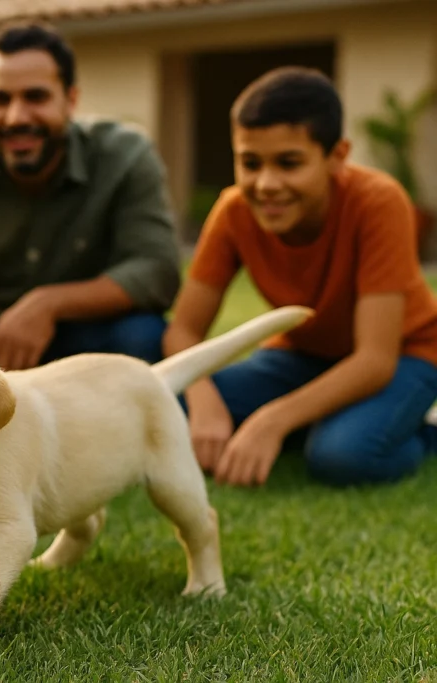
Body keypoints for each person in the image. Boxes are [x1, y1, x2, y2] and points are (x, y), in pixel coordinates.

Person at [163, 66, 437, 488]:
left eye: (289, 163)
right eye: (250, 163)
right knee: (168, 406)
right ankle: (321, 417)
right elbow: (183, 330)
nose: (267, 184)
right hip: (301, 354)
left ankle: (422, 432)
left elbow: (375, 360)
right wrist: (205, 404)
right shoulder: (233, 211)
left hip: (408, 353)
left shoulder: (379, 203)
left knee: (342, 457)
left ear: (337, 156)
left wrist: (273, 420)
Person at [0, 21, 180, 372]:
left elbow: (157, 269)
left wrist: (48, 304)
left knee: (142, 335)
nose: (16, 117)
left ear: (70, 99)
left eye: (36, 97)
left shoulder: (125, 155)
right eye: (0, 99)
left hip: (86, 336)